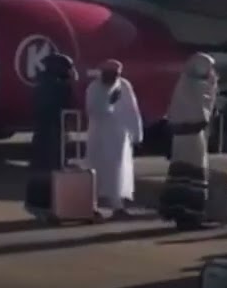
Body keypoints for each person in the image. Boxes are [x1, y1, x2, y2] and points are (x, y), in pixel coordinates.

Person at [159, 53, 219, 230]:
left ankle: (182, 214)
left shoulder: (185, 83)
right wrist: (213, 87)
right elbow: (202, 115)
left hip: (182, 138)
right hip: (192, 137)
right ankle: (191, 217)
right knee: (193, 175)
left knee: (183, 175)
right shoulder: (196, 87)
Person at [85, 59, 143, 218]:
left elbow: (132, 110)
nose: (114, 77)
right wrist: (108, 101)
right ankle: (91, 206)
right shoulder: (94, 87)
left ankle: (118, 207)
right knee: (96, 169)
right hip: (99, 135)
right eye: (111, 74)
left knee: (118, 170)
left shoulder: (124, 85)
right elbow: (93, 110)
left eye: (116, 74)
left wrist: (137, 134)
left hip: (119, 136)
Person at [24, 53, 78, 222]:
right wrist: (72, 83)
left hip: (44, 133)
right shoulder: (56, 86)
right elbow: (67, 105)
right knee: (49, 169)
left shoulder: (43, 84)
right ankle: (44, 207)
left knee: (42, 169)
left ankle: (39, 206)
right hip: (51, 134)